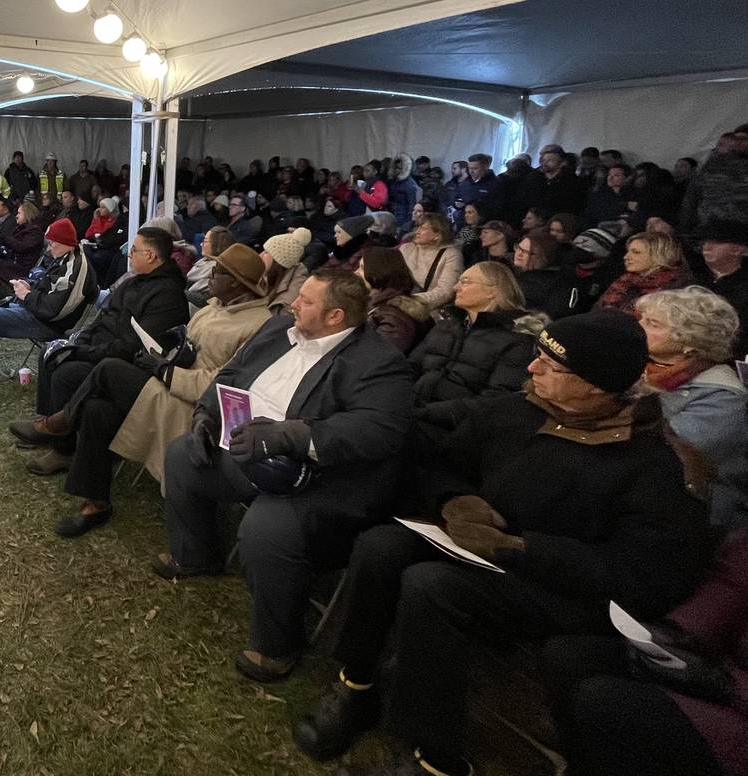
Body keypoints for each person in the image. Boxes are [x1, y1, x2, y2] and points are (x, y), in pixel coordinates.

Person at [292, 311, 714, 776]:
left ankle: (436, 756)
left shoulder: (655, 465)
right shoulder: (521, 410)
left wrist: (522, 548)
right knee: (383, 546)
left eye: (551, 367)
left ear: (598, 386)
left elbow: (646, 576)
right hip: (480, 549)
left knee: (434, 585)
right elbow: (441, 463)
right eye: (537, 356)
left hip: (562, 589)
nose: (532, 370)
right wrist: (456, 501)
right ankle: (358, 683)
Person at [152, 269, 415, 683]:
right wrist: (205, 413)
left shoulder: (379, 364)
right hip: (247, 452)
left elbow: (378, 429)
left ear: (335, 317)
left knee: (267, 528)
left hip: (317, 480)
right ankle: (195, 554)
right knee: (184, 456)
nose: (293, 303)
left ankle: (277, 645)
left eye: (307, 300)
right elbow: (230, 375)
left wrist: (293, 436)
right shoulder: (278, 329)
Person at [51, 244, 273, 535]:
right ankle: (96, 501)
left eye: (217, 272)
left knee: (108, 368)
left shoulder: (259, 325)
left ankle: (61, 421)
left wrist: (168, 372)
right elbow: (191, 346)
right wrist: (166, 355)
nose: (209, 275)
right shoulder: (214, 307)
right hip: (170, 381)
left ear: (236, 282)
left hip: (194, 405)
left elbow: (224, 383)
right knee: (97, 409)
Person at [538, 526, 748, 776]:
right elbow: (732, 587)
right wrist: (677, 634)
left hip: (739, 709)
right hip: (720, 674)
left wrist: (729, 688)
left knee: (606, 702)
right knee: (568, 659)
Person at [8, 226, 189, 456]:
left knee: (66, 371)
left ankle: (62, 449)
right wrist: (81, 341)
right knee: (52, 353)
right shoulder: (134, 283)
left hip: (123, 363)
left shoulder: (168, 296)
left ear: (151, 255)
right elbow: (103, 318)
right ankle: (47, 425)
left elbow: (135, 347)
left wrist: (84, 351)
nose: (129, 254)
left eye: (134, 249)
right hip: (103, 349)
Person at [638, 287, 748, 527]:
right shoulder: (641, 368)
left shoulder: (722, 397)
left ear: (690, 341)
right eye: (643, 320)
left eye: (653, 323)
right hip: (641, 487)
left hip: (694, 506)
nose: (639, 327)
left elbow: (668, 457)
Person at [0, 217, 95, 399]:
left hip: (47, 324)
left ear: (66, 242)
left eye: (53, 244)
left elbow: (55, 310)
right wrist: (29, 287)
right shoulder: (68, 258)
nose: (49, 248)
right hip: (38, 314)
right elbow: (51, 291)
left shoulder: (76, 268)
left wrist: (27, 295)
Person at [408, 262, 537, 436]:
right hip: (413, 412)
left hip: (459, 429)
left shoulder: (518, 338)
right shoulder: (446, 325)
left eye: (466, 282)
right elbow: (409, 368)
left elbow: (497, 399)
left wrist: (425, 412)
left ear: (492, 291)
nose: (456, 287)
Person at [595, 230, 689, 315]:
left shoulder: (676, 289)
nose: (626, 257)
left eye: (636, 252)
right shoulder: (624, 281)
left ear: (659, 255)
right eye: (628, 251)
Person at [360, 247, 433, 355]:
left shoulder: (395, 320)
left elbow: (374, 358)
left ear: (377, 273)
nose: (356, 272)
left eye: (361, 268)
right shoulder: (379, 305)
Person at [699, 231, 748, 360]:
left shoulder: (746, 288)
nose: (707, 247)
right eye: (706, 242)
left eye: (717, 243)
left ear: (740, 250)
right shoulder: (696, 281)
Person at [399, 213, 464, 311]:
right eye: (418, 227)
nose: (417, 232)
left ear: (437, 235)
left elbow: (445, 291)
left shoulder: (451, 255)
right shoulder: (406, 248)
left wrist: (409, 302)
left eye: (423, 228)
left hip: (428, 309)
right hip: (399, 302)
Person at [513, 231, 580, 319]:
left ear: (546, 257)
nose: (519, 254)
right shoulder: (512, 272)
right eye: (519, 248)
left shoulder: (559, 283)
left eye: (529, 253)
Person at [0, 201, 46, 291]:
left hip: (22, 266)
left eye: (19, 213)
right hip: (13, 260)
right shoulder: (21, 228)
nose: (16, 215)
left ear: (27, 214)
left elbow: (22, 247)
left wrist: (6, 238)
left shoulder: (34, 232)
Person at [523, 144, 588, 217]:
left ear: (562, 163)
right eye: (544, 160)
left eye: (550, 160)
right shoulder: (533, 178)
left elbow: (573, 206)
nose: (545, 163)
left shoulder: (572, 182)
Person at [260, 228, 312, 314]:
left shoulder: (291, 297)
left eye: (266, 252)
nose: (260, 255)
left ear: (277, 262)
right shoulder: (267, 277)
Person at [186, 226, 232, 303]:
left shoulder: (220, 270)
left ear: (217, 245)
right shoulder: (200, 263)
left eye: (205, 241)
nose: (201, 244)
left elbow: (206, 301)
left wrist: (181, 292)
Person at [582, 161, 632, 226]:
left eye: (616, 175)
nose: (610, 178)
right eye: (609, 174)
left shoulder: (632, 194)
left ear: (627, 178)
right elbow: (599, 214)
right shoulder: (599, 194)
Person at [386, 153, 421, 227]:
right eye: (395, 167)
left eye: (399, 168)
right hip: (393, 214)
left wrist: (409, 222)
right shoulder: (394, 181)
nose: (396, 170)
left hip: (403, 217)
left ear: (405, 168)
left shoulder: (409, 183)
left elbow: (412, 204)